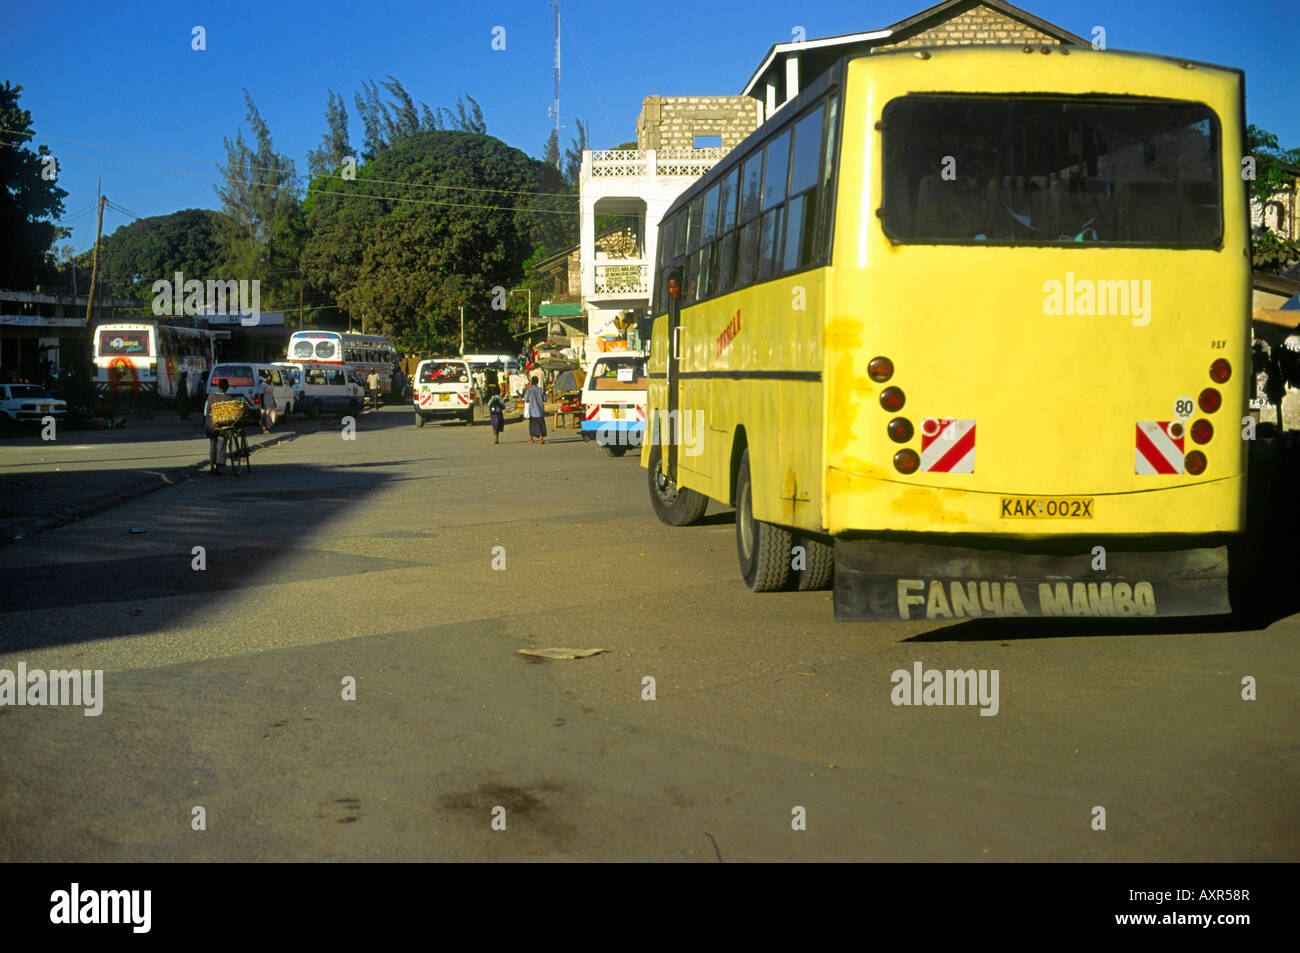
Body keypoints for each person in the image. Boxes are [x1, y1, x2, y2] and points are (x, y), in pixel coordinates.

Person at [204, 379, 242, 473]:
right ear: (227, 388)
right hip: (224, 426)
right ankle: (218, 463)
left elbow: (205, 411)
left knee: (212, 445)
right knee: (221, 443)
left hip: (212, 425)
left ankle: (212, 466)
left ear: (218, 386)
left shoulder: (211, 396)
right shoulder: (229, 398)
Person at [524, 375, 546, 445]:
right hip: (540, 410)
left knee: (532, 426)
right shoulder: (541, 390)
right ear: (537, 382)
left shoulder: (529, 390)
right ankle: (541, 437)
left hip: (532, 411)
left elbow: (526, 399)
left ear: (531, 382)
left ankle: (531, 439)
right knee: (540, 425)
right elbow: (544, 399)